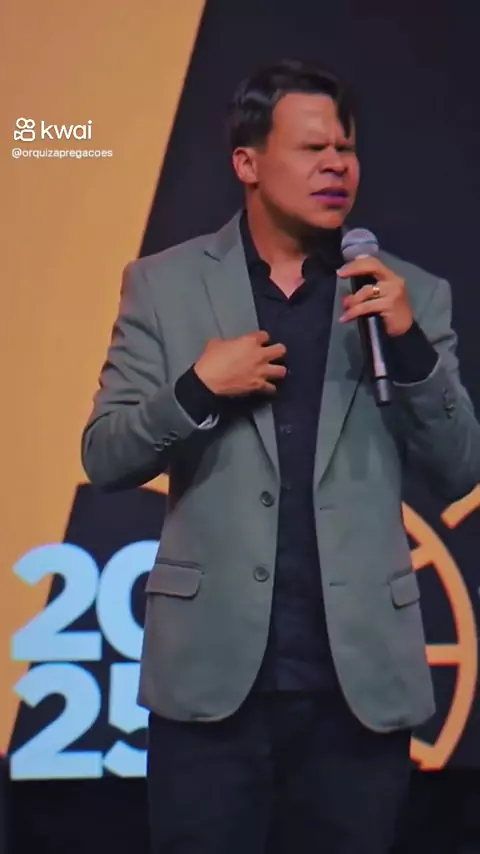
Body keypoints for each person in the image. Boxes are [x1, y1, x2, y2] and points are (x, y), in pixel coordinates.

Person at [81, 59, 480, 854]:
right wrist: (197, 387)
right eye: (311, 148)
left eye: (345, 148)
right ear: (248, 162)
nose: (336, 165)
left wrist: (409, 351)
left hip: (356, 688)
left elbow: (460, 466)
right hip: (211, 686)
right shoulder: (163, 285)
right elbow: (106, 455)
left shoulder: (409, 295)